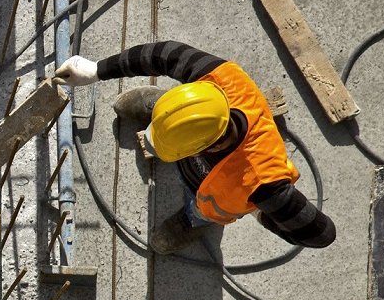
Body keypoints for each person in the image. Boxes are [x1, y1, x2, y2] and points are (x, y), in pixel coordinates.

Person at [53, 41, 336, 254]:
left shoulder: (264, 181)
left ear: (203, 147)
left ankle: (193, 221)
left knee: (200, 211)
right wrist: (96, 70)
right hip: (192, 124)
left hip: (209, 200)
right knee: (173, 116)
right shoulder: (221, 78)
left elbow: (321, 234)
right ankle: (164, 109)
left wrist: (260, 212)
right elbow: (162, 54)